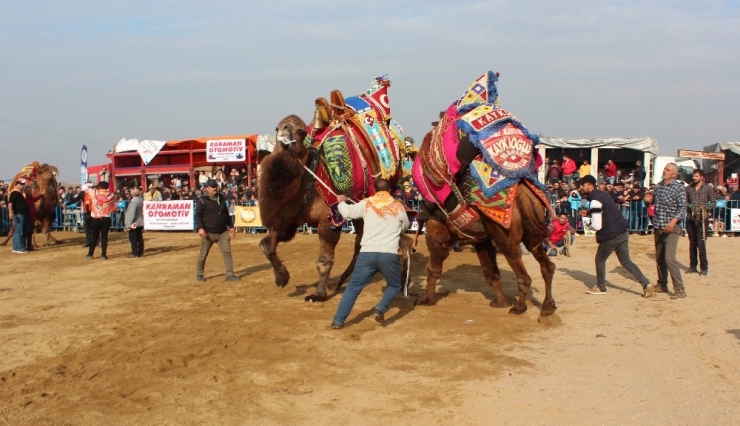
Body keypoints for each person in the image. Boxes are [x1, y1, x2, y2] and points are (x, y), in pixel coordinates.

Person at [331, 178, 410, 329]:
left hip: (367, 253)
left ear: (374, 190)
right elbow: (405, 225)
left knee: (353, 287)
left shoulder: (367, 203)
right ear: (389, 190)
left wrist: (340, 201)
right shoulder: (398, 206)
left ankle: (338, 321)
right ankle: (380, 308)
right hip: (388, 253)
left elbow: (347, 213)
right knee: (394, 285)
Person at [576, 175, 653, 297]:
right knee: (626, 262)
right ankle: (646, 283)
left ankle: (601, 287)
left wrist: (587, 224)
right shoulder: (604, 194)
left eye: (583, 185)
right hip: (622, 231)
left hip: (610, 235)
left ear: (590, 186)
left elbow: (596, 226)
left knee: (599, 260)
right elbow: (606, 209)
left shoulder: (595, 201)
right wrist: (590, 212)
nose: (581, 187)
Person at [651, 163, 687, 298]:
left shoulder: (679, 188)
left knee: (669, 258)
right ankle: (662, 284)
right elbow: (654, 203)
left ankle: (679, 288)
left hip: (672, 228)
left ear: (674, 174)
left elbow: (682, 208)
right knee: (659, 258)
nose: (664, 171)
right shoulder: (658, 186)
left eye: (668, 170)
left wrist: (673, 222)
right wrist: (648, 200)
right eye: (664, 168)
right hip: (658, 226)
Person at [195, 179, 239, 282]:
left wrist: (231, 226)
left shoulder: (221, 198)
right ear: (207, 189)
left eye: (216, 186)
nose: (215, 188)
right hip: (208, 233)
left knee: (227, 253)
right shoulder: (202, 200)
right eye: (212, 186)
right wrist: (200, 228)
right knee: (203, 255)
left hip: (222, 232)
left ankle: (229, 274)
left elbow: (226, 214)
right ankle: (199, 274)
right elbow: (197, 216)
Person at [685, 169, 715, 276]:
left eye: (696, 176)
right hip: (690, 218)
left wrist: (704, 208)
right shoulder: (688, 188)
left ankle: (704, 267)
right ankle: (693, 266)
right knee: (692, 243)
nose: (694, 178)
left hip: (702, 219)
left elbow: (713, 202)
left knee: (701, 244)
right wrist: (689, 206)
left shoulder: (708, 188)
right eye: (693, 176)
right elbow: (684, 200)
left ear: (701, 177)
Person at [86, 181, 119, 260]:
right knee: (104, 237)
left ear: (99, 187)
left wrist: (94, 185)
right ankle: (103, 254)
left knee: (94, 237)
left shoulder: (94, 193)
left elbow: (87, 188)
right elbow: (115, 204)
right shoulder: (111, 196)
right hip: (106, 217)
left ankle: (90, 254)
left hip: (95, 218)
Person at [7, 180, 29, 253]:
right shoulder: (14, 193)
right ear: (16, 185)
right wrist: (10, 212)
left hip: (21, 214)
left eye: (23, 184)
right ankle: (19, 247)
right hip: (19, 214)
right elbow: (10, 203)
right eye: (21, 184)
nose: (22, 186)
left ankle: (16, 247)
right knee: (19, 231)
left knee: (17, 231)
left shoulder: (20, 193)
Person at [124, 187, 145, 258]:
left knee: (133, 238)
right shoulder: (140, 200)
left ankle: (134, 253)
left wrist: (129, 224)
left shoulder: (134, 202)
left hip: (134, 223)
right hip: (140, 221)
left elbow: (132, 213)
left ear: (132, 194)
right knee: (139, 238)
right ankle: (141, 252)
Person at [23, 186, 42, 251]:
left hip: (32, 218)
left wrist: (41, 195)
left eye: (30, 190)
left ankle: (29, 247)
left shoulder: (30, 198)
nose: (29, 191)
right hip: (27, 217)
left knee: (30, 233)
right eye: (28, 190)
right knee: (26, 233)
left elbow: (35, 199)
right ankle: (23, 246)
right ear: (25, 191)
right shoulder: (24, 198)